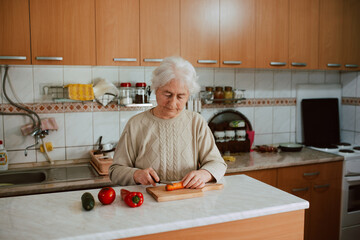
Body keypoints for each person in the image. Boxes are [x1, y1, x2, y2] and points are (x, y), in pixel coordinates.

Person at [109, 56, 227, 189]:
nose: (172, 103)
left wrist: (204, 174)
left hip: (187, 199)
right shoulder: (136, 124)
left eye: (180, 96)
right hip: (146, 201)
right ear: (156, 89)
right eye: (167, 94)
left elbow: (218, 164)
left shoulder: (196, 122)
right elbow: (115, 171)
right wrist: (136, 174)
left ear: (188, 94)